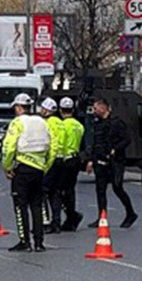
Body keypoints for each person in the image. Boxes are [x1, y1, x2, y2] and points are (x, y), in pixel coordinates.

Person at [1, 93, 51, 252]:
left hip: (22, 169)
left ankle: (25, 241)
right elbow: (53, 146)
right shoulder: (42, 122)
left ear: (18, 107)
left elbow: (8, 147)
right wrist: (45, 166)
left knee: (20, 206)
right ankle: (39, 242)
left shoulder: (17, 123)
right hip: (39, 170)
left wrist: (7, 167)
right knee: (37, 206)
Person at [86, 98, 137, 229]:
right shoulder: (97, 124)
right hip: (100, 160)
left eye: (96, 108)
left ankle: (131, 213)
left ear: (103, 108)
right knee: (100, 190)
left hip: (116, 161)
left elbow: (127, 139)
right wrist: (91, 160)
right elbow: (95, 144)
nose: (94, 111)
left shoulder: (116, 123)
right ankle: (102, 217)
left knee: (117, 187)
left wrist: (115, 150)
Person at [56, 97, 85, 231]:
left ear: (61, 110)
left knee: (58, 190)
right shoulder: (79, 125)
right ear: (72, 110)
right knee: (70, 190)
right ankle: (71, 217)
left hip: (65, 160)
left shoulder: (62, 125)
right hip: (75, 159)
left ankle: (71, 215)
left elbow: (60, 143)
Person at [37, 98, 65, 233]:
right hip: (62, 160)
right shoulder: (61, 123)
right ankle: (57, 222)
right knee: (56, 192)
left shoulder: (46, 123)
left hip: (51, 159)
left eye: (42, 108)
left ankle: (45, 222)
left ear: (46, 110)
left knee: (42, 192)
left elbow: (46, 142)